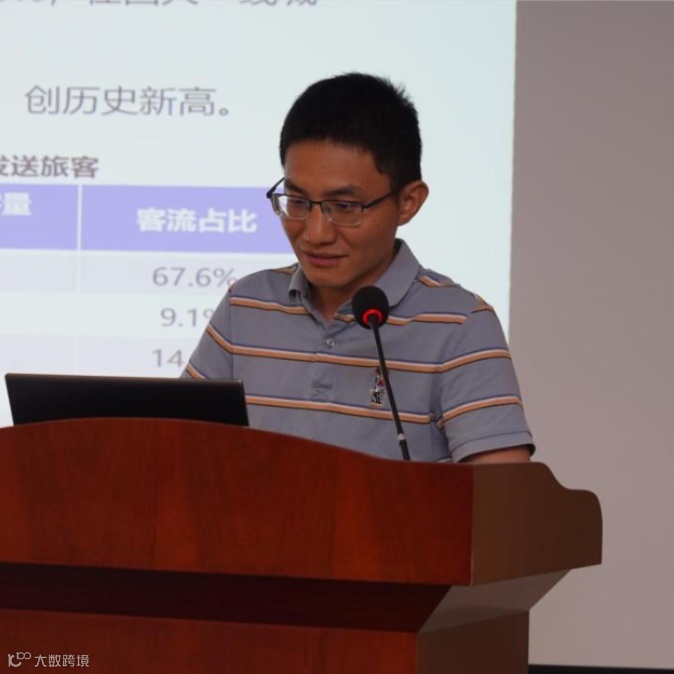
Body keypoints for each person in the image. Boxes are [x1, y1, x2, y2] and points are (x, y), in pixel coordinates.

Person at [183, 73, 533, 464]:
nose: (315, 234)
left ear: (408, 202)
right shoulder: (245, 306)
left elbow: (501, 492)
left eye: (345, 207)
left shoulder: (460, 325)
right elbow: (178, 452)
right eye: (297, 201)